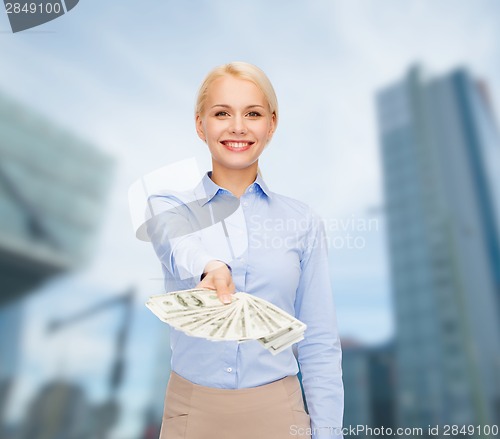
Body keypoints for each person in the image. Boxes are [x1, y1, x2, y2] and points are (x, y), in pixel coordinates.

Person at [146, 62, 344, 439]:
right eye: (222, 113)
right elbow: (177, 244)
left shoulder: (302, 221)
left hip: (280, 414)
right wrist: (210, 266)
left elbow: (319, 342)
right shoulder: (169, 207)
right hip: (191, 414)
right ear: (200, 124)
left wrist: (329, 433)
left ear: (271, 124)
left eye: (252, 114)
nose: (238, 126)